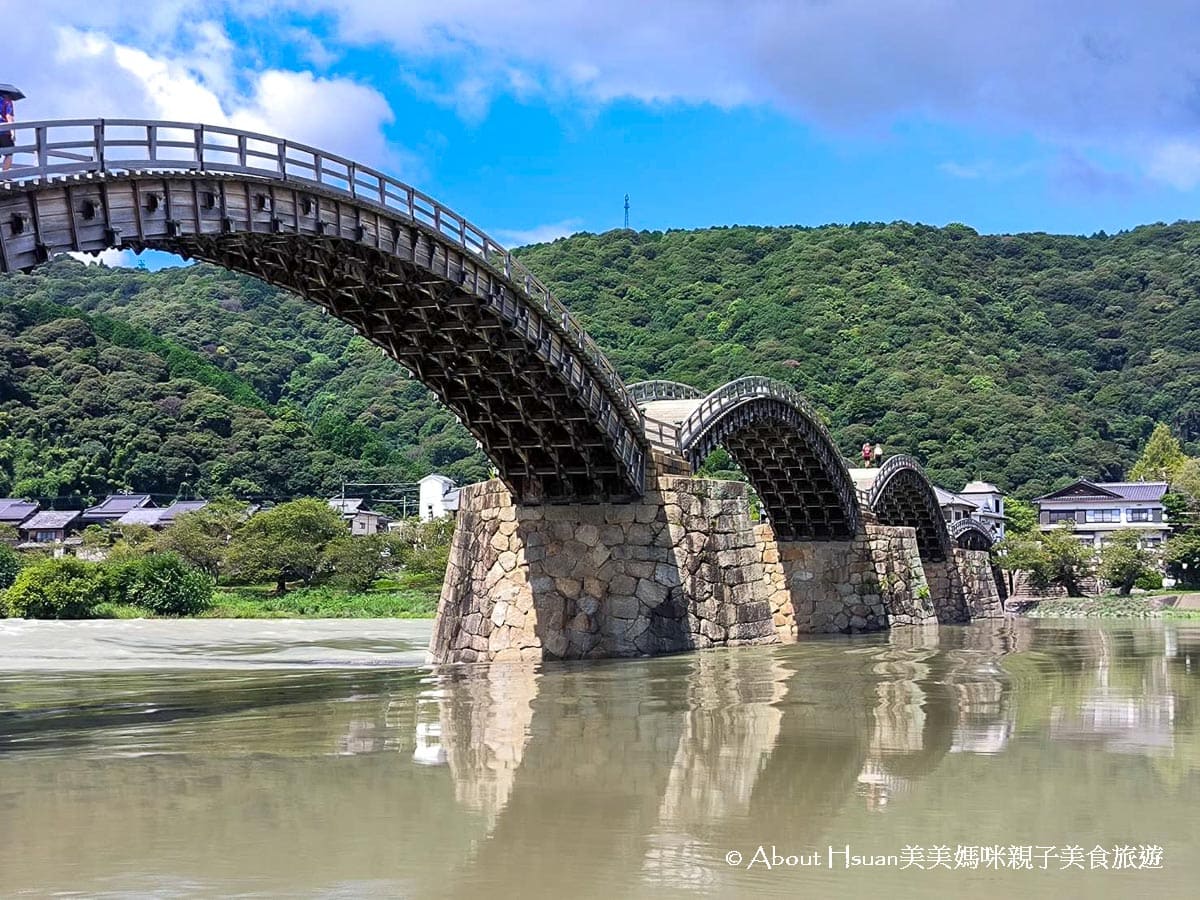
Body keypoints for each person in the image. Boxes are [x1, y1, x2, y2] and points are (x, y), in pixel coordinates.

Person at [0, 92, 14, 172]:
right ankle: (4, 175)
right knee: (9, 153)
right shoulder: (7, 101)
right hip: (4, 132)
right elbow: (9, 117)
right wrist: (13, 132)